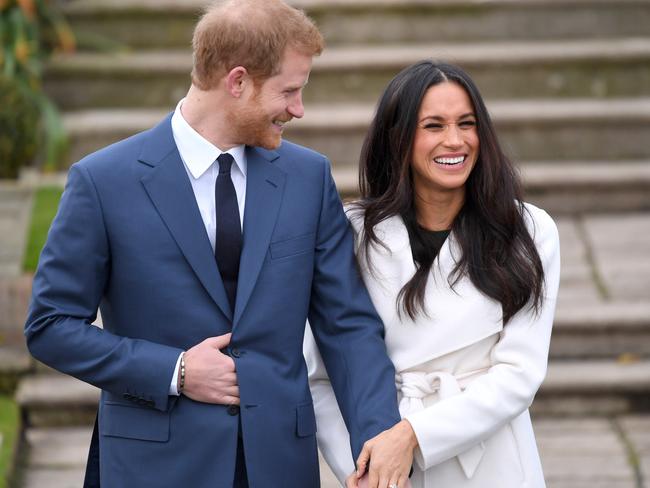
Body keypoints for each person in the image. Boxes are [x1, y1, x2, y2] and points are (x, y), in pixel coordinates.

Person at [24, 1, 412, 486]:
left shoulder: (307, 178)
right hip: (153, 468)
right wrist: (176, 370)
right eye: (289, 91)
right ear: (238, 81)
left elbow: (347, 324)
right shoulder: (103, 182)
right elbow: (50, 325)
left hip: (279, 465)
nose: (298, 108)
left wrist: (377, 438)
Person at [304, 60, 561, 488]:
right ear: (398, 137)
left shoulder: (528, 231)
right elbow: (319, 377)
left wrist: (413, 436)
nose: (455, 141)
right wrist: (364, 466)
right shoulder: (350, 234)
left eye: (467, 123)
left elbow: (520, 375)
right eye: (434, 126)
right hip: (386, 469)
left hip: (491, 463)